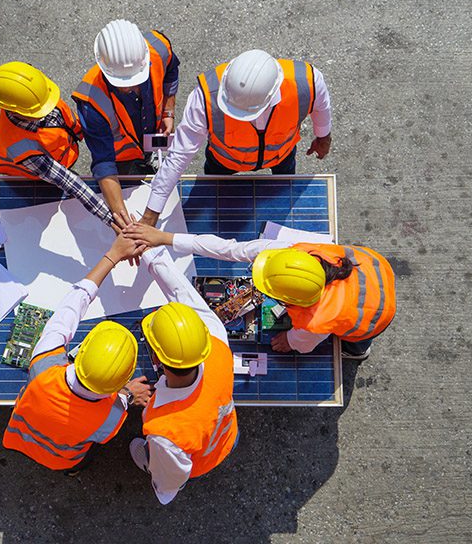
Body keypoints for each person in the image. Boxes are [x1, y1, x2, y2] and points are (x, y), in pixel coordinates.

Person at [123, 223, 395, 360]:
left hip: (373, 319)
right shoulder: (288, 253)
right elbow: (229, 249)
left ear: (292, 300)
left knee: (356, 340)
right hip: (375, 271)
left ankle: (358, 351)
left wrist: (289, 341)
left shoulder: (316, 322)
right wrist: (165, 238)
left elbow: (300, 344)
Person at [2, 234, 153, 474]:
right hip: (62, 459)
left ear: (82, 351)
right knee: (81, 459)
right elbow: (118, 407)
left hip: (19, 437)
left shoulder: (43, 365)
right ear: (121, 381)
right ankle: (73, 471)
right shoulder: (111, 419)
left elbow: (70, 307)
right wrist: (128, 395)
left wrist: (112, 255)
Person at [137, 49, 333, 227]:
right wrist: (151, 212)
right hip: (223, 163)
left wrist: (323, 136)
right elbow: (179, 155)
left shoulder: (308, 82)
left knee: (281, 197)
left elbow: (321, 106)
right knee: (212, 208)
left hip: (282, 157)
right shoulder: (205, 96)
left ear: (271, 97)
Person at [128, 246, 237, 504]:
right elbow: (182, 292)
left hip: (199, 460)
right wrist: (147, 247)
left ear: (155, 359)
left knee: (143, 452)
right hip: (227, 436)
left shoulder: (165, 433)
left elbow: (167, 487)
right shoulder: (217, 341)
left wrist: (123, 396)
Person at [73, 19, 180, 228]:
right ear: (104, 69)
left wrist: (168, 111)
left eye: (136, 80)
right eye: (122, 84)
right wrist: (121, 217)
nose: (131, 88)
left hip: (149, 137)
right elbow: (104, 162)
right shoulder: (90, 102)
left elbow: (171, 72)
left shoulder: (159, 49)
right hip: (121, 160)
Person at [0, 61, 118, 228]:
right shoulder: (20, 147)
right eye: (38, 111)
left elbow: (67, 121)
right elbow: (69, 182)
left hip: (62, 154)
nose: (48, 110)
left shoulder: (38, 96)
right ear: (13, 110)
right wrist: (110, 218)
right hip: (35, 178)